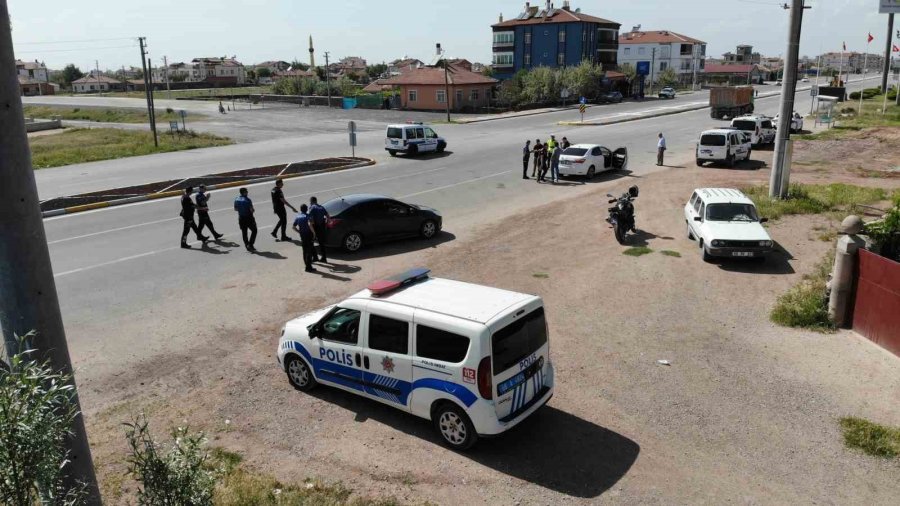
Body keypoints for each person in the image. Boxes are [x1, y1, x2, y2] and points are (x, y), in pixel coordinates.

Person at [293, 204, 317, 273]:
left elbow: (293, 227)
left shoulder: (298, 217)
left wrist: (299, 232)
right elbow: (310, 224)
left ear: (301, 209)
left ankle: (306, 265)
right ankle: (308, 267)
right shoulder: (308, 216)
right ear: (306, 209)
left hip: (302, 236)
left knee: (304, 251)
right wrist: (314, 233)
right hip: (308, 235)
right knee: (309, 252)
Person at [308, 196, 330, 263]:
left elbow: (310, 218)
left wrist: (311, 225)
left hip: (315, 227)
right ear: (316, 201)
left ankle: (314, 257)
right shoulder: (321, 207)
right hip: (322, 227)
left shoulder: (312, 208)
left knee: (311, 242)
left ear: (311, 201)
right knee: (321, 243)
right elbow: (328, 216)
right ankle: (324, 258)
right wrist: (326, 222)